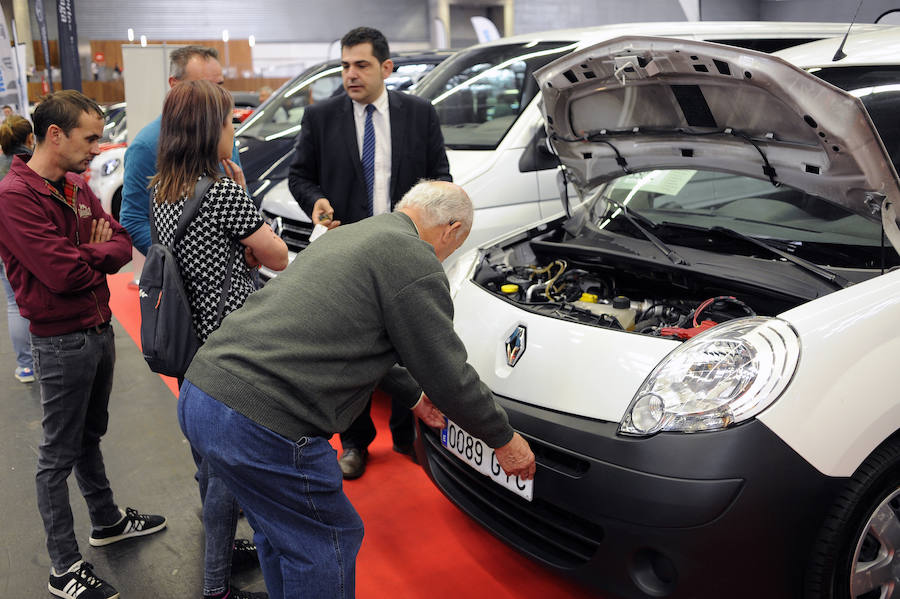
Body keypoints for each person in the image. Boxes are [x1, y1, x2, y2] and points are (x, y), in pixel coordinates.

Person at [179, 180, 536, 599]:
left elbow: (355, 334)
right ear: (453, 229)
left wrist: (415, 398)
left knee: (279, 533)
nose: (449, 252)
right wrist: (502, 438)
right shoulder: (413, 257)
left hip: (204, 391)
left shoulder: (354, 235)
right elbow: (446, 370)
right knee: (325, 541)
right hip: (262, 421)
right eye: (457, 243)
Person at [0, 90, 166, 599]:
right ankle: (63, 565)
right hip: (60, 341)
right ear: (56, 135)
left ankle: (107, 520)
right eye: (90, 137)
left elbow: (118, 243)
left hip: (98, 328)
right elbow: (61, 272)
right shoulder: (15, 196)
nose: (98, 147)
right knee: (56, 454)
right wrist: (88, 252)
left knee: (90, 435)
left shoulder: (73, 185)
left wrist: (90, 251)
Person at [288, 26, 452, 479]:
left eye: (360, 65)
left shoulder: (419, 114)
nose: (350, 75)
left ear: (386, 68)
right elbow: (299, 176)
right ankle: (355, 443)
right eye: (344, 66)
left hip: (402, 251)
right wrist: (315, 201)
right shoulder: (321, 118)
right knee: (350, 352)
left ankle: (406, 437)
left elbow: (440, 176)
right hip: (347, 255)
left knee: (407, 347)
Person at [151, 79, 287, 599]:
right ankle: (215, 586)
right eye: (231, 122)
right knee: (225, 473)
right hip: (231, 352)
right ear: (210, 130)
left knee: (209, 465)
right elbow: (274, 255)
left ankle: (221, 553)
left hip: (191, 348)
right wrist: (244, 201)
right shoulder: (222, 192)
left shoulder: (160, 188)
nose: (236, 130)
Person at [121, 45, 244, 257]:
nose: (216, 96)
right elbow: (133, 219)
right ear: (174, 85)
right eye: (205, 86)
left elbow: (240, 192)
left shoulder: (224, 134)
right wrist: (183, 262)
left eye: (220, 85)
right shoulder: (147, 146)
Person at [0, 115, 36, 382]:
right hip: (27, 243)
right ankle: (41, 359)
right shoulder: (33, 166)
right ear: (30, 138)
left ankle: (26, 366)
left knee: (14, 303)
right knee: (33, 299)